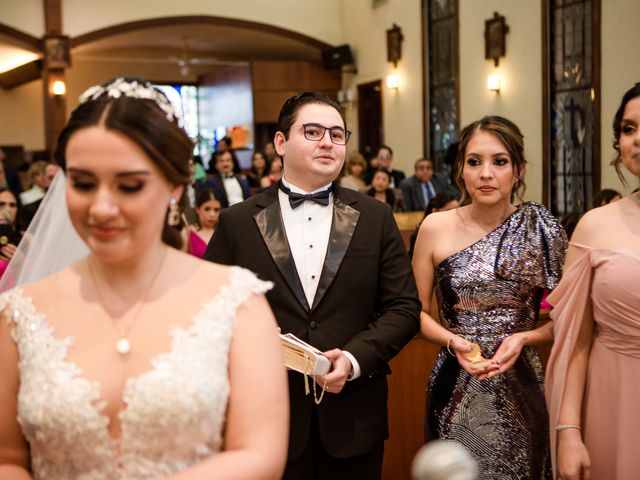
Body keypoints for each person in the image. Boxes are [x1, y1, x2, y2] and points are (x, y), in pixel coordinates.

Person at [0, 77, 288, 479]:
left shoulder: (237, 303)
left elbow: (260, 454)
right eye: (82, 183)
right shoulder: (19, 312)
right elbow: (8, 459)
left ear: (174, 185)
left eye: (129, 186)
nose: (101, 207)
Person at [205, 91, 420, 479]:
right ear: (281, 143)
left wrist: (353, 359)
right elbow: (206, 310)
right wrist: (248, 333)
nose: (327, 142)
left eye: (337, 135)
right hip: (266, 418)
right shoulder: (237, 222)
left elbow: (403, 309)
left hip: (354, 416)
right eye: (313, 131)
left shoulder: (375, 216)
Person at [412, 115, 567, 479]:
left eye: (499, 161)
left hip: (523, 386)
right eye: (474, 161)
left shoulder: (541, 229)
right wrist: (454, 342)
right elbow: (413, 314)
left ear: (518, 170)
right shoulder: (435, 227)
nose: (486, 173)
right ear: (460, 171)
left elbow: (567, 322)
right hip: (454, 386)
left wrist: (525, 338)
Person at [546, 83, 640, 480]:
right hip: (613, 398)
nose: (637, 140)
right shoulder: (594, 226)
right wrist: (569, 430)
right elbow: (575, 340)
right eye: (629, 128)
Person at [408, 191, 460, 258]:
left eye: (457, 211)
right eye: (449, 211)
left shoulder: (462, 231)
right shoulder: (420, 236)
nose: (454, 215)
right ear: (435, 211)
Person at [189, 189, 221, 257]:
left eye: (216, 210)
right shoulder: (188, 232)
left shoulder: (224, 232)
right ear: (197, 209)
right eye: (207, 209)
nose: (212, 214)